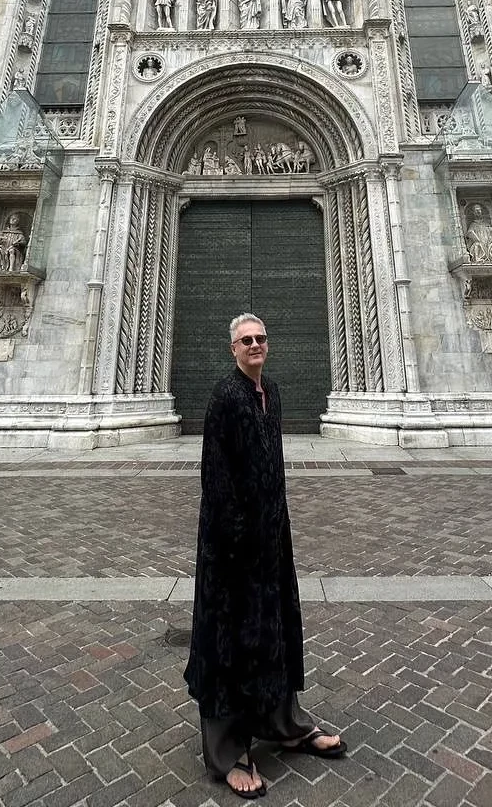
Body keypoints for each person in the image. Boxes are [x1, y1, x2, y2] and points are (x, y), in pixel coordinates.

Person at [185, 315, 347, 799]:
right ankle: (228, 752)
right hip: (232, 546)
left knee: (275, 628)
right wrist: (236, 539)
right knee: (229, 639)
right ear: (233, 349)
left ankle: (286, 725)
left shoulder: (270, 392)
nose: (255, 345)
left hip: (271, 536)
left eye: (260, 338)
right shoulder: (224, 397)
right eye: (246, 340)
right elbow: (216, 478)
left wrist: (274, 526)